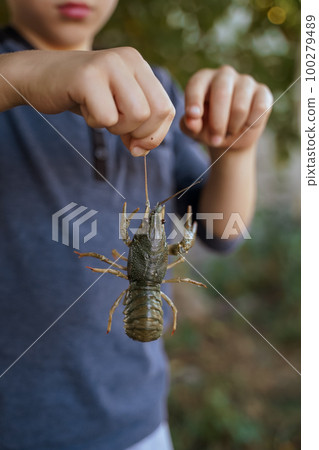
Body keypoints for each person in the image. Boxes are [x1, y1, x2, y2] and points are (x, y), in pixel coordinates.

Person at [0, 1, 273, 449]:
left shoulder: (158, 90)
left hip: (137, 419)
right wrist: (21, 77)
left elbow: (222, 232)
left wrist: (236, 152)